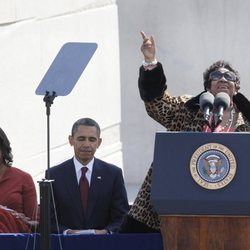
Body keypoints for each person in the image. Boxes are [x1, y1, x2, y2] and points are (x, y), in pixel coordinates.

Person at [119, 31, 250, 233]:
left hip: (234, 210)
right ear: (208, 86)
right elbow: (156, 103)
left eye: (229, 76)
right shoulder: (187, 108)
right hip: (176, 206)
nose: (223, 78)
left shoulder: (247, 122)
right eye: (216, 76)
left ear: (237, 86)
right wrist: (150, 61)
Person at [47, 117, 129, 234]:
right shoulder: (54, 174)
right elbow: (48, 220)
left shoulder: (113, 174)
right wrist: (67, 232)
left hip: (102, 244)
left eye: (92, 139)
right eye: (81, 139)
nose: (87, 144)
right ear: (71, 140)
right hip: (66, 244)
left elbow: (121, 217)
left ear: (99, 142)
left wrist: (106, 232)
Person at [0, 128, 39, 233]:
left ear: (3, 149)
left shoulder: (23, 178)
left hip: (14, 241)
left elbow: (36, 224)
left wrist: (21, 220)